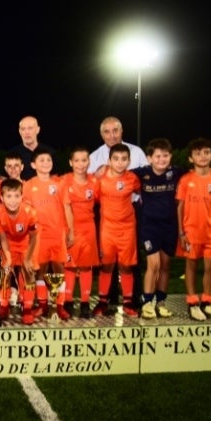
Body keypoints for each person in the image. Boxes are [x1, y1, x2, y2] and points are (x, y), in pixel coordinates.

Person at [88, 115, 148, 309]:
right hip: (106, 213)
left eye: (115, 131)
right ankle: (108, 300)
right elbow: (86, 185)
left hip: (131, 213)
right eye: (107, 131)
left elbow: (146, 179)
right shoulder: (95, 157)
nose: (111, 135)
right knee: (107, 261)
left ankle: (134, 299)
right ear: (101, 134)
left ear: (121, 131)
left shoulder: (137, 152)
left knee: (131, 261)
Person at [131, 138, 185, 320]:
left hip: (169, 226)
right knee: (153, 265)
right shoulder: (141, 173)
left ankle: (160, 302)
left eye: (165, 155)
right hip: (149, 226)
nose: (162, 159)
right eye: (157, 156)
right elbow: (119, 173)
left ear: (170, 156)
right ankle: (147, 303)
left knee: (165, 266)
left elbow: (198, 173)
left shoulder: (176, 172)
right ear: (149, 158)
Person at [22, 147, 74, 320]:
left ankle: (59, 306)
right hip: (38, 235)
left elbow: (67, 207)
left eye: (48, 160)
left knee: (59, 269)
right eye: (41, 160)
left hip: (57, 233)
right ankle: (43, 305)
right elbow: (26, 211)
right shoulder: (28, 186)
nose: (46, 163)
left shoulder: (59, 183)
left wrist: (70, 231)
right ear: (33, 164)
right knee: (40, 270)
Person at [176, 137, 211, 321]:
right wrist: (181, 232)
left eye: (206, 152)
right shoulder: (186, 179)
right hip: (190, 231)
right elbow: (179, 207)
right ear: (191, 158)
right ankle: (192, 302)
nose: (202, 156)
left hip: (210, 231)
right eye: (197, 153)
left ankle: (207, 301)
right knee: (191, 265)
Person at [93, 144, 141, 318]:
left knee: (126, 267)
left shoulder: (133, 179)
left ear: (128, 161)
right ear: (109, 160)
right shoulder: (100, 179)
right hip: (107, 229)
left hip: (127, 228)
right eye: (116, 159)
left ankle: (128, 302)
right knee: (106, 266)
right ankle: (102, 302)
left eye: (123, 159)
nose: (120, 163)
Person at [0, 178, 39, 325]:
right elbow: (3, 238)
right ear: (1, 197)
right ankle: (4, 306)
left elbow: (33, 238)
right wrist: (8, 258)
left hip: (26, 243)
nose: (13, 200)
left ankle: (27, 308)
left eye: (16, 196)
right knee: (5, 273)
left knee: (29, 273)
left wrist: (27, 258)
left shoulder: (30, 212)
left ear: (22, 196)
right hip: (9, 244)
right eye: (9, 196)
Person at [61, 146, 100, 319]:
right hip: (70, 229)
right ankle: (67, 301)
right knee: (69, 265)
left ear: (89, 161)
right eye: (76, 160)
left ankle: (85, 303)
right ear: (70, 162)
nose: (80, 164)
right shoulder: (64, 181)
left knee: (85, 265)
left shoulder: (94, 182)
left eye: (84, 160)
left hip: (88, 229)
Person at [9, 115, 57, 181]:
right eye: (23, 129)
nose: (26, 132)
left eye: (30, 128)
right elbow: (4, 178)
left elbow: (56, 176)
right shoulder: (12, 153)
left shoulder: (50, 152)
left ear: (38, 130)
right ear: (19, 131)